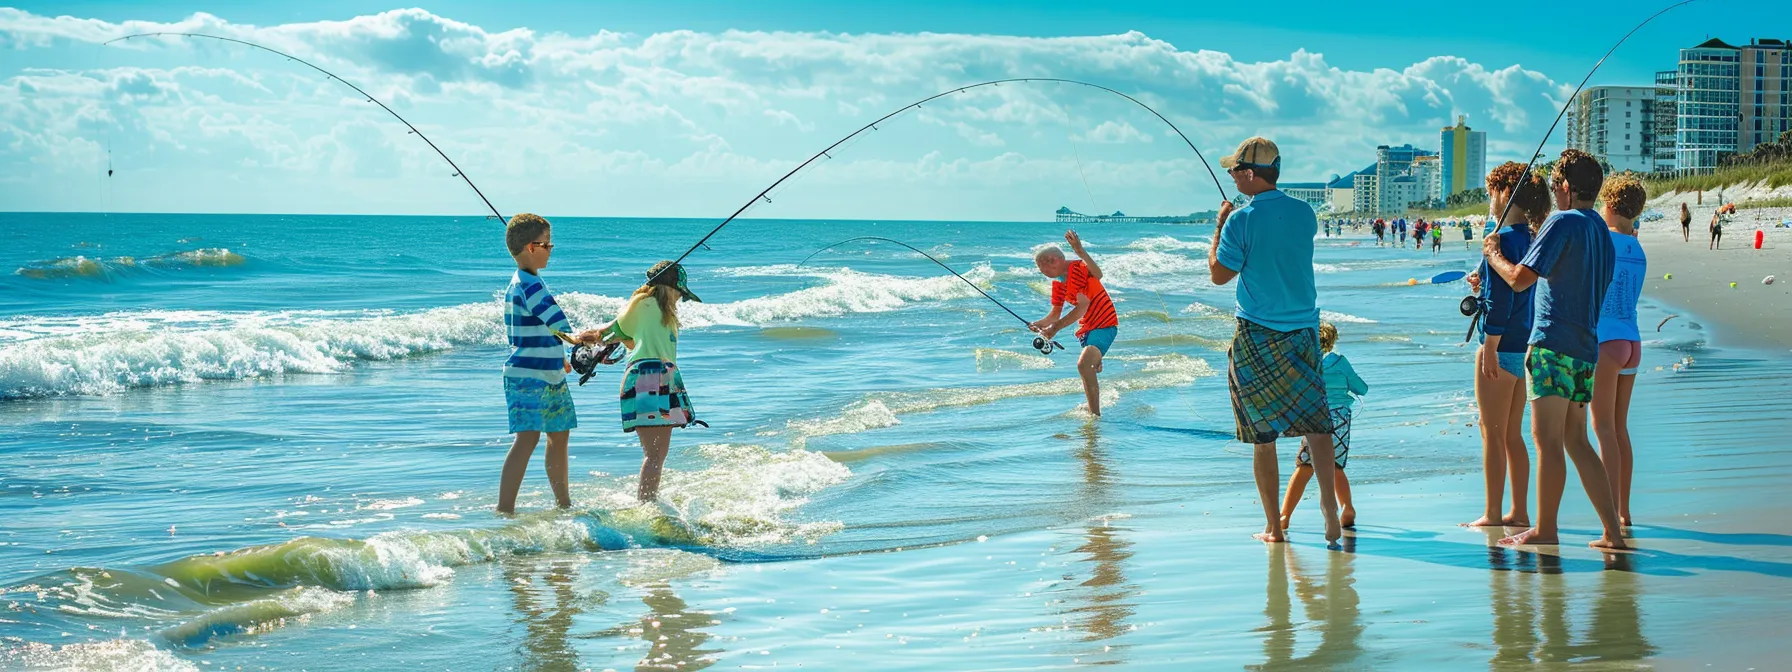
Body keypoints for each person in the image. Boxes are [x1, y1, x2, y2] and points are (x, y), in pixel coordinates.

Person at [1481, 149, 1626, 549]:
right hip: (1585, 348)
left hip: (1551, 344)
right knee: (1577, 441)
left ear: (1564, 188)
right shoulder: (1601, 230)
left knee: (1547, 441)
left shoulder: (1562, 221)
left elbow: (1519, 280)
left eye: (1555, 186)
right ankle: (1612, 531)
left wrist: (1492, 254)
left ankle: (1545, 529)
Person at [1206, 137, 1342, 545]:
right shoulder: (1305, 214)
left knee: (1261, 435)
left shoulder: (1240, 221)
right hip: (1303, 332)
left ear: (1249, 173)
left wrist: (1219, 226)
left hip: (1258, 334)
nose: (1230, 176)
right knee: (1317, 425)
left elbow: (1219, 274)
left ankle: (1274, 526)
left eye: (1235, 171)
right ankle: (1329, 511)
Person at [1463, 162, 1549, 528]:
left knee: (1491, 432)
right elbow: (1507, 291)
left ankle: (1494, 513)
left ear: (1504, 193)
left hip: (1500, 345)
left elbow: (1502, 301)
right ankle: (1520, 511)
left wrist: (1491, 346)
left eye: (1490, 194)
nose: (1489, 201)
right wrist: (1483, 278)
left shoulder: (1502, 240)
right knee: (1512, 435)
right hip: (1522, 343)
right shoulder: (1527, 237)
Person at [497, 213, 602, 514]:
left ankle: (564, 505)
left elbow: (546, 333)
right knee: (527, 440)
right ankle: (504, 509)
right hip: (528, 375)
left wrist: (561, 359)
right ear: (532, 247)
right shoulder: (530, 287)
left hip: (550, 372)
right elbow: (562, 329)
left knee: (559, 434)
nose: (551, 249)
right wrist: (586, 338)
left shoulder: (527, 280)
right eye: (547, 244)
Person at [598, 261, 705, 503]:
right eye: (679, 292)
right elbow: (614, 332)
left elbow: (620, 336)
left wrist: (593, 340)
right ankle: (646, 505)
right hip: (657, 378)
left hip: (652, 378)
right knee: (656, 456)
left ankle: (648, 502)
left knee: (656, 455)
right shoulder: (647, 306)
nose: (679, 298)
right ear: (670, 288)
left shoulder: (650, 309)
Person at [1594, 176, 1649, 527]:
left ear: (1610, 206)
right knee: (1619, 429)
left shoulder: (1603, 241)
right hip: (1633, 341)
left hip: (1606, 341)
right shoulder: (1637, 248)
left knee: (1602, 430)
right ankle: (1624, 510)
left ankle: (1611, 514)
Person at [1277, 322, 1368, 530]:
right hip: (1340, 418)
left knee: (1305, 466)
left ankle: (1284, 516)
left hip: (1314, 417)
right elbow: (1362, 388)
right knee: (1335, 465)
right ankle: (1347, 507)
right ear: (1333, 340)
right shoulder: (1340, 362)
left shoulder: (1305, 362)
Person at [1032, 230, 1118, 417]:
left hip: (1104, 323)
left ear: (1053, 260)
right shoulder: (1059, 283)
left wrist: (1054, 329)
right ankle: (1093, 408)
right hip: (1087, 330)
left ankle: (1094, 416)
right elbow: (1054, 315)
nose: (1043, 273)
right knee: (1088, 366)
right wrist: (1039, 325)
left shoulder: (1077, 269)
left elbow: (1082, 307)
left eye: (1042, 268)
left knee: (1083, 365)